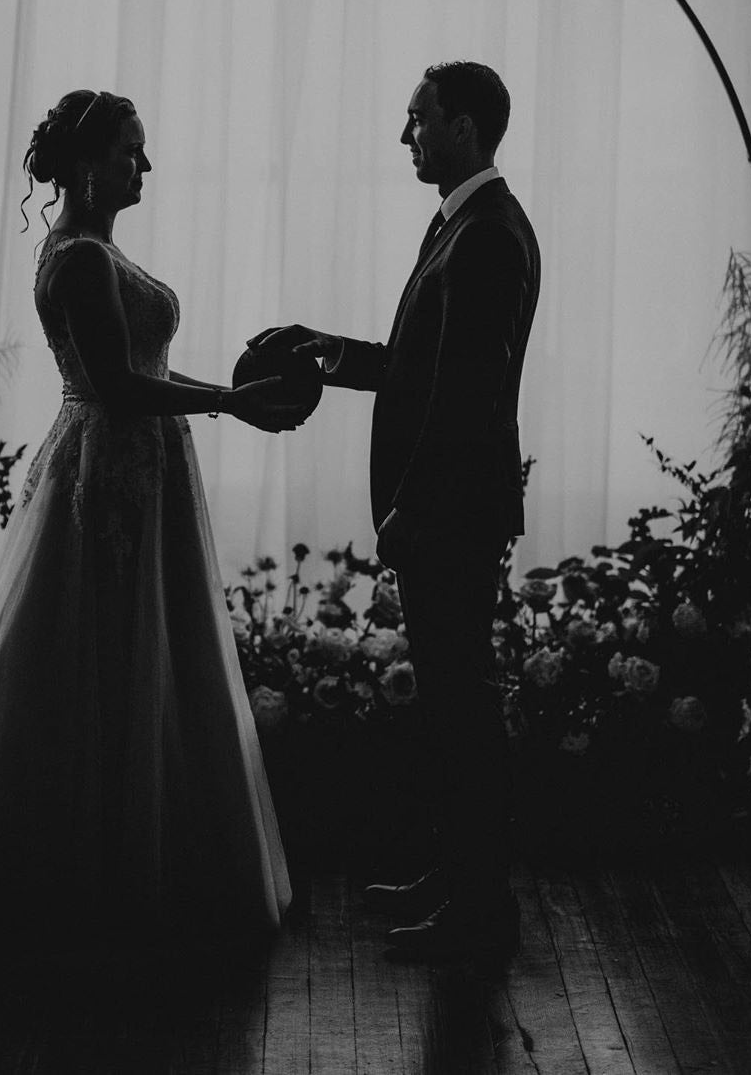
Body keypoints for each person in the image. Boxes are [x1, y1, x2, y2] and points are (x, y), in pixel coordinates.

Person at [0, 89, 294, 946]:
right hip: (112, 469)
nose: (145, 165)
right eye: (132, 150)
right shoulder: (82, 261)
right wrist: (231, 401)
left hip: (132, 461)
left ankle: (122, 866)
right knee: (109, 656)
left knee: (138, 653)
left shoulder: (88, 250)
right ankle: (94, 883)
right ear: (87, 164)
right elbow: (120, 386)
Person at [251, 61, 540, 966]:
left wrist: (412, 508)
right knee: (454, 709)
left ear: (463, 126)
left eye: (417, 119)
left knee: (463, 711)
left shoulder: (487, 235)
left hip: (451, 513)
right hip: (452, 510)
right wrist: (325, 351)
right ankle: (456, 878)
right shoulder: (465, 224)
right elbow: (422, 364)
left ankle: (481, 909)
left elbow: (465, 397)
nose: (404, 135)